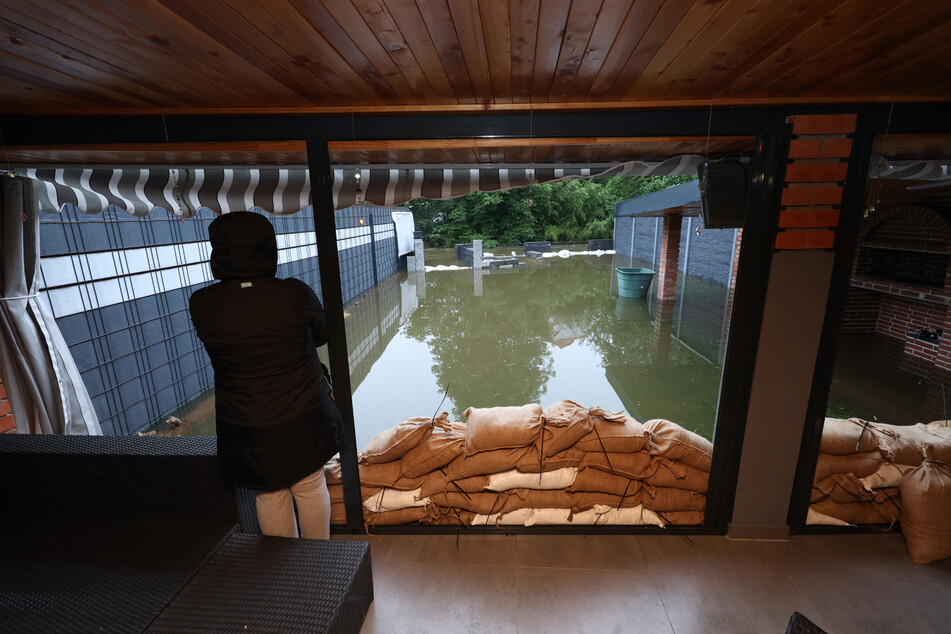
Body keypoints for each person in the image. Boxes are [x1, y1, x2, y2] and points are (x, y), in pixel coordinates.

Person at [189, 211, 342, 539]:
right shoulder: (294, 293)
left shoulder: (203, 303)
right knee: (310, 483)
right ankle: (322, 568)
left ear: (218, 253)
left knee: (269, 494)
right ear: (268, 249)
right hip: (304, 415)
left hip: (248, 425)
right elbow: (324, 332)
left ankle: (284, 576)